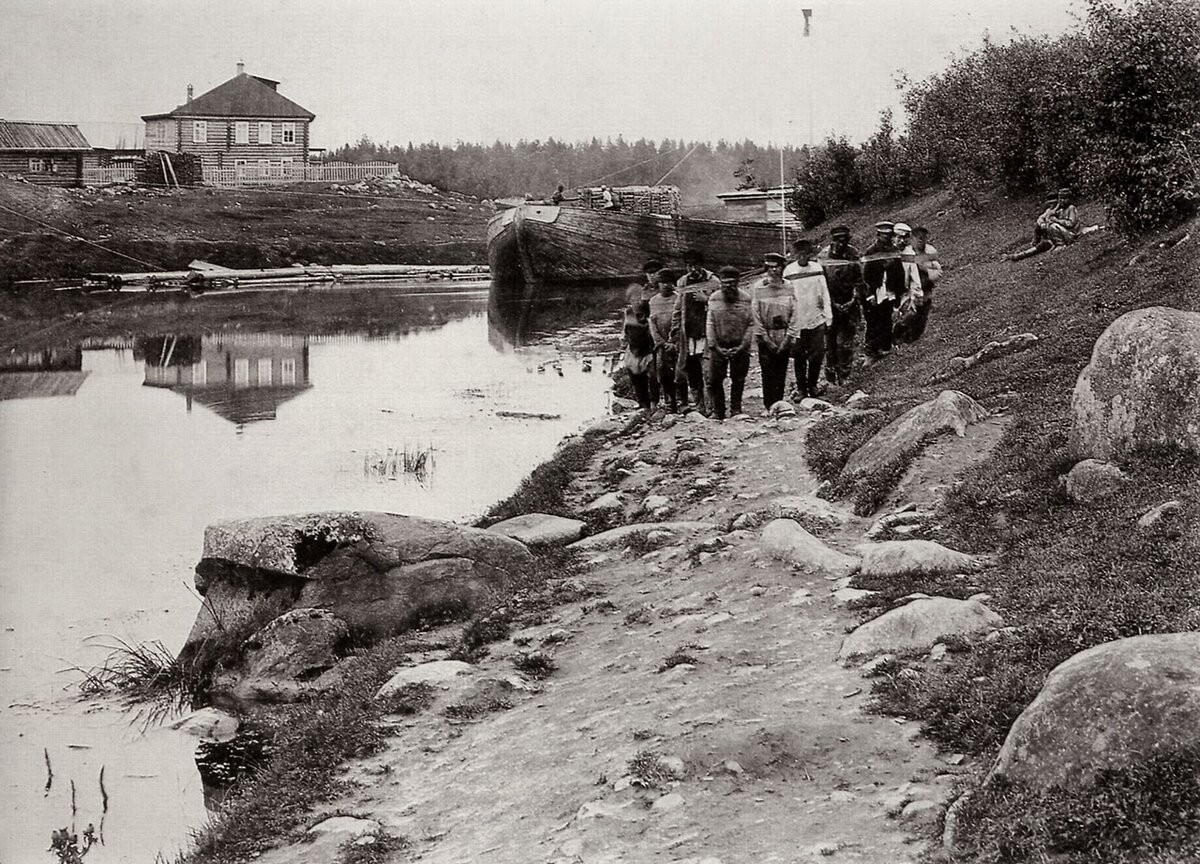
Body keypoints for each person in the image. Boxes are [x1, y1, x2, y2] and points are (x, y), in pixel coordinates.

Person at [784, 238, 833, 398]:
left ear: (810, 254)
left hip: (816, 318)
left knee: (817, 354)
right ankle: (801, 388)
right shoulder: (789, 272)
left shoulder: (817, 269)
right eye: (799, 254)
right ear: (795, 255)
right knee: (798, 355)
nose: (802, 257)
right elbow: (786, 299)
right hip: (797, 320)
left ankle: (812, 385)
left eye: (805, 254)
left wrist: (828, 316)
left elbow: (824, 292)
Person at [671, 250, 718, 413]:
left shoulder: (713, 281)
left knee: (708, 373)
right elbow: (678, 309)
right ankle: (700, 406)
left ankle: (713, 407)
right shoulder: (683, 282)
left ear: (701, 265)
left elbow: (721, 306)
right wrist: (675, 331)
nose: (692, 269)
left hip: (707, 334)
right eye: (689, 265)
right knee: (691, 372)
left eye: (695, 265)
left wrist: (707, 300)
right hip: (688, 335)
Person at [705, 266, 754, 420]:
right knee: (714, 380)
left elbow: (751, 324)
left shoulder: (746, 298)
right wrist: (714, 345)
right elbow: (710, 323)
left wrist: (743, 345)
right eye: (724, 283)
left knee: (738, 379)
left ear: (738, 283)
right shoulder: (714, 298)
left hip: (740, 346)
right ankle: (718, 411)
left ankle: (736, 409)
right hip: (718, 346)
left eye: (732, 283)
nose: (728, 287)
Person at [817, 225, 863, 385]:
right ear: (833, 240)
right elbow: (821, 284)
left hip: (850, 304)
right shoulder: (823, 257)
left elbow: (859, 279)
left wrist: (853, 299)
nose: (841, 244)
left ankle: (844, 375)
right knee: (830, 342)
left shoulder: (853, 253)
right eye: (838, 240)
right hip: (831, 305)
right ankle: (830, 373)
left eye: (845, 240)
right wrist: (832, 304)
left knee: (846, 343)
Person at [860, 221, 911, 362]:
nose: (887, 238)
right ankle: (870, 353)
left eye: (889, 235)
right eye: (884, 236)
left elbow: (899, 273)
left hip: (889, 291)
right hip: (875, 292)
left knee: (886, 319)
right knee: (872, 322)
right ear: (878, 235)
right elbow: (865, 277)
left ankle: (884, 348)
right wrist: (869, 295)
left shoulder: (894, 251)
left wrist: (899, 293)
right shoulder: (871, 251)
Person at [752, 251, 795, 409]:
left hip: (783, 332)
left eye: (777, 267)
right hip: (766, 332)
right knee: (767, 369)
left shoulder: (789, 286)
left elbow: (794, 311)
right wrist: (765, 338)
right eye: (770, 268)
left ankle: (779, 403)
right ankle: (768, 404)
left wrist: (789, 337)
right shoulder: (759, 287)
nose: (773, 271)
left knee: (781, 369)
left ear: (782, 268)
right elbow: (755, 314)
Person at [894, 226, 942, 344]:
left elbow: (937, 270)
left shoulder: (929, 252)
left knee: (921, 316)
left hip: (925, 289)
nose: (921, 241)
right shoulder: (906, 252)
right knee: (909, 314)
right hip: (909, 290)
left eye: (924, 238)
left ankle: (912, 339)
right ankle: (897, 337)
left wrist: (926, 269)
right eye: (918, 238)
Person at [647, 267, 681, 413]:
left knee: (680, 372)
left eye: (669, 282)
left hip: (678, 342)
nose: (666, 285)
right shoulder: (653, 301)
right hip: (662, 345)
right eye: (663, 282)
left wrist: (675, 341)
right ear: (658, 284)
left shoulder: (679, 298)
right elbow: (652, 324)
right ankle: (670, 402)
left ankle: (682, 401)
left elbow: (681, 321)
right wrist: (661, 343)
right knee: (664, 373)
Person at [620, 295, 657, 412]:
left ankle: (654, 402)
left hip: (649, 350)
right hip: (633, 349)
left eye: (638, 300)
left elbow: (653, 330)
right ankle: (642, 403)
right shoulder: (628, 313)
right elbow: (625, 331)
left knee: (653, 376)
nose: (635, 303)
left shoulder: (649, 312)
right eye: (632, 300)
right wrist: (623, 342)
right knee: (636, 377)